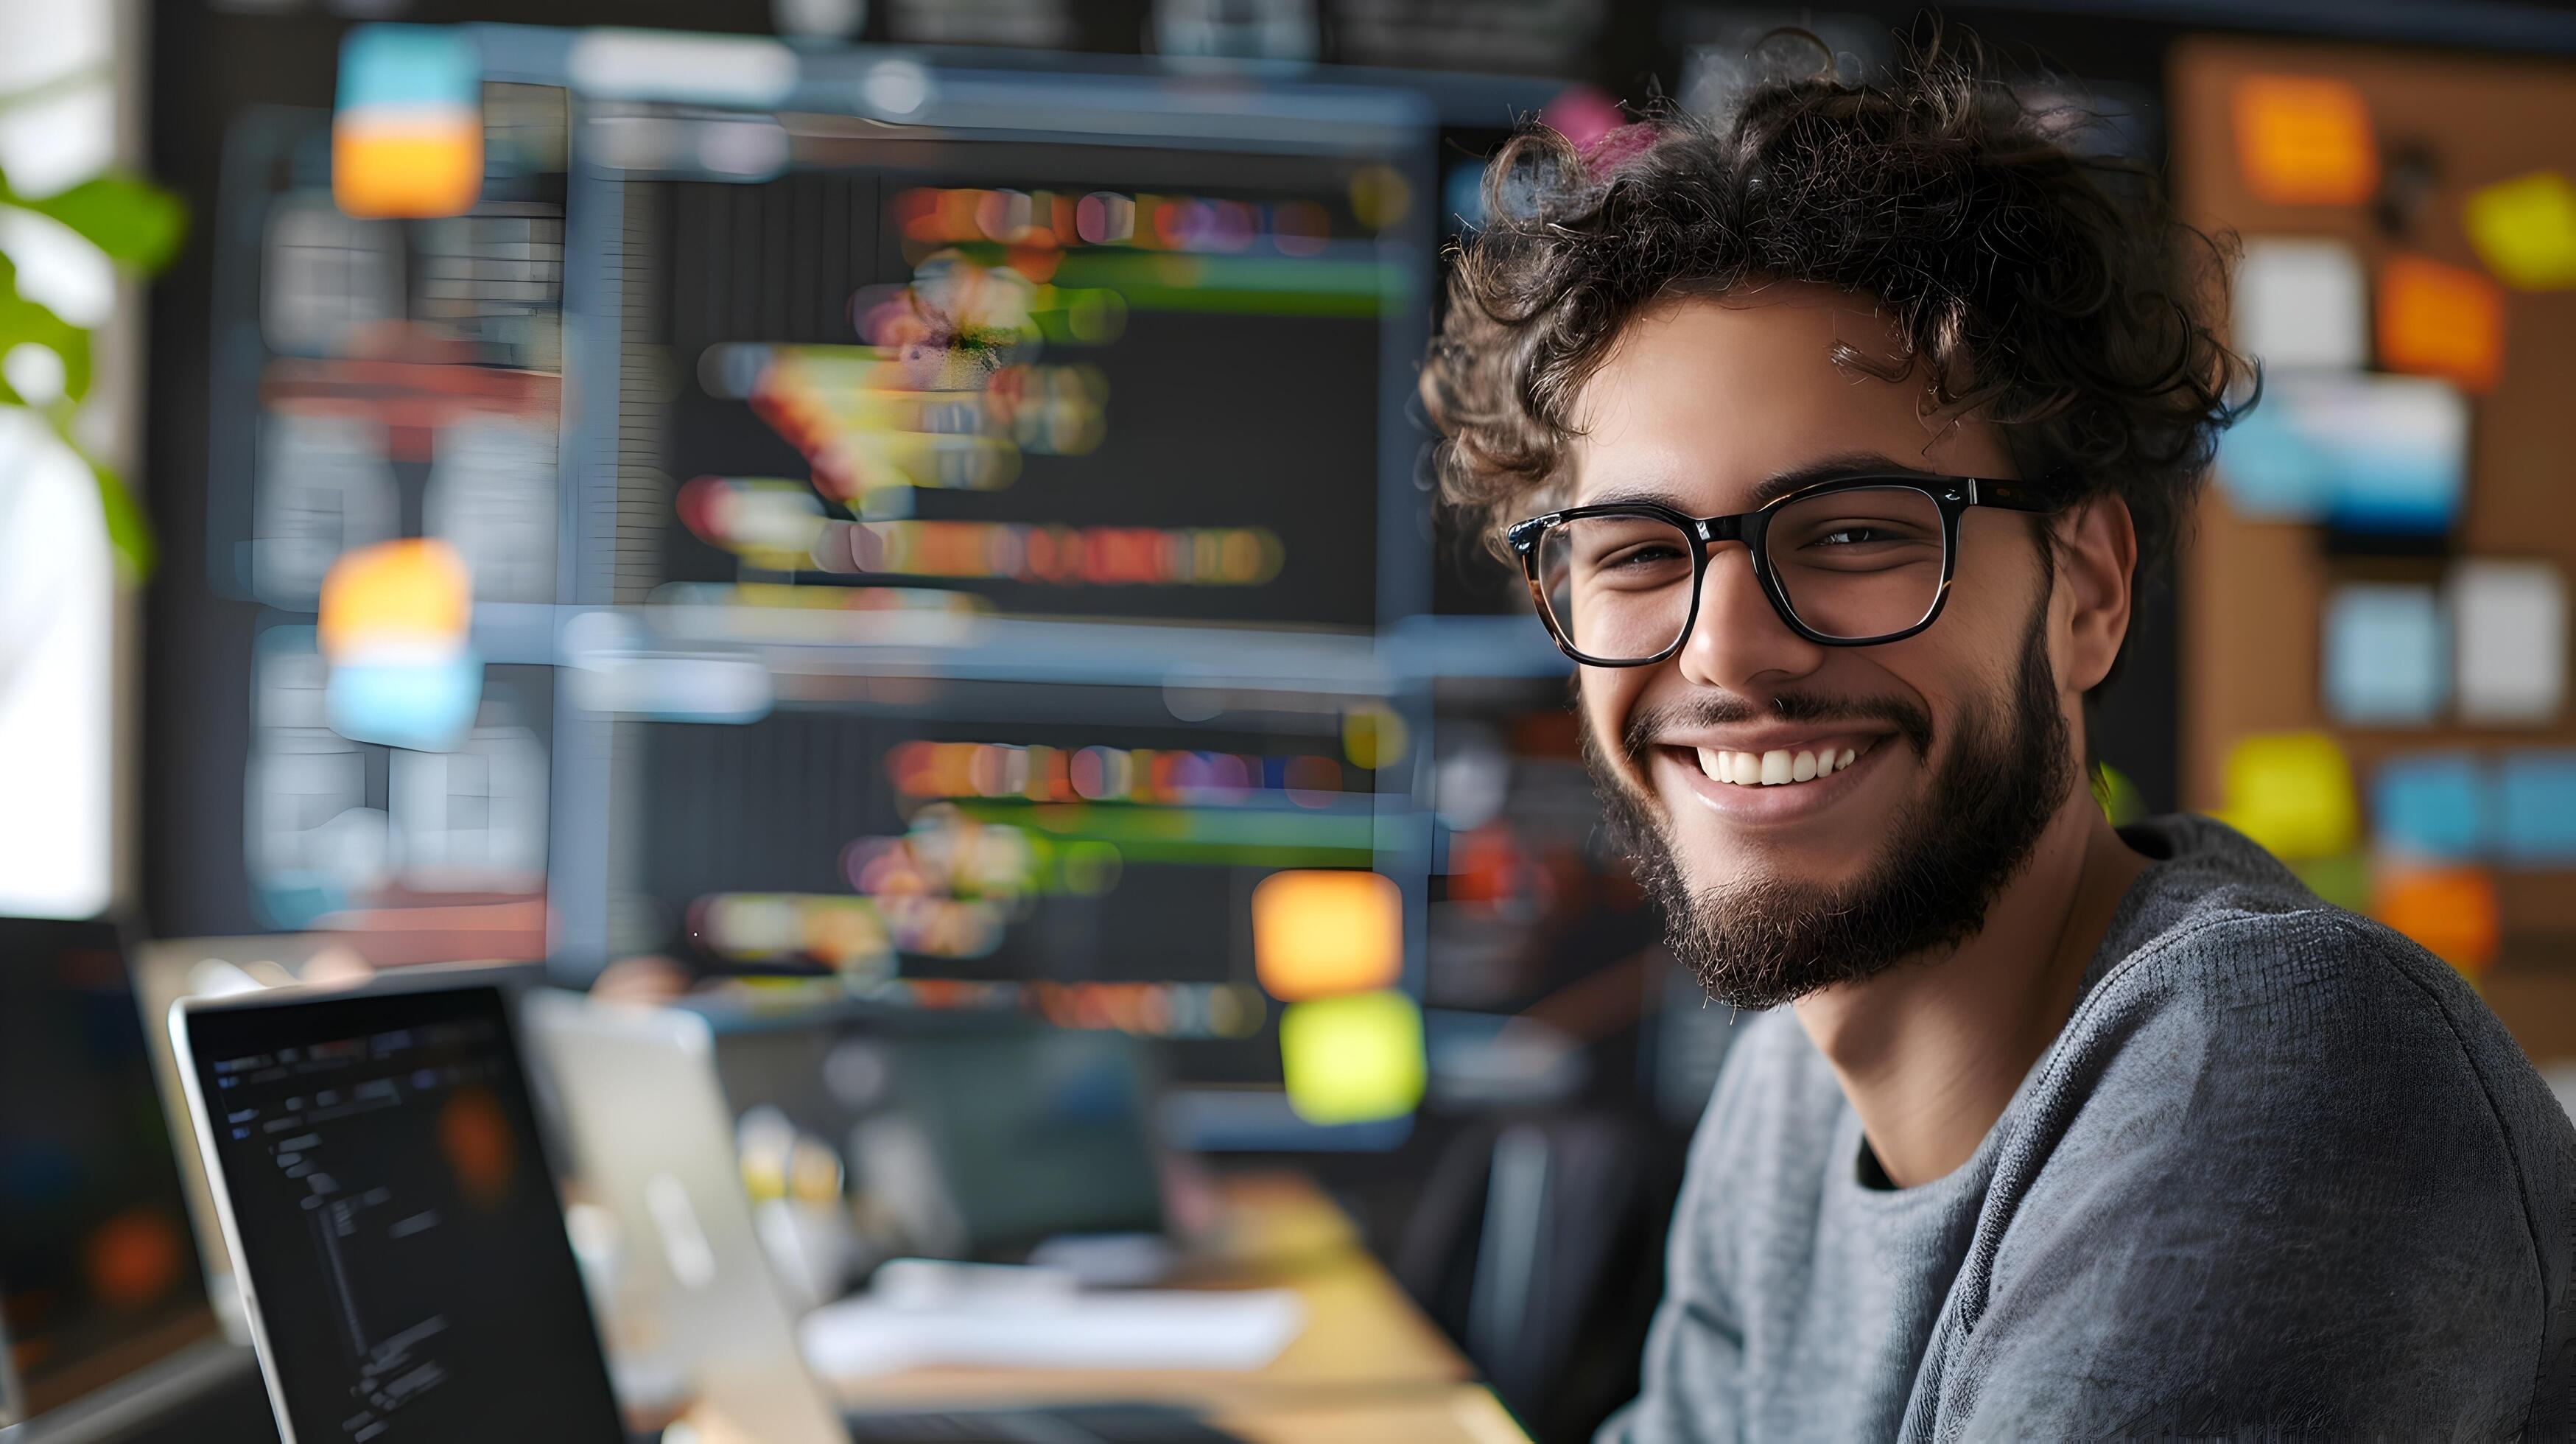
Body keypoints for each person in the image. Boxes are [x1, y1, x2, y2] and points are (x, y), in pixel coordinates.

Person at [1419, 30, 2575, 1440]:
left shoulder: (2271, 1063)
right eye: (1636, 556)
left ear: (2086, 590)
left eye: (1851, 532)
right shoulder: (1788, 1093)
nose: (1721, 648)